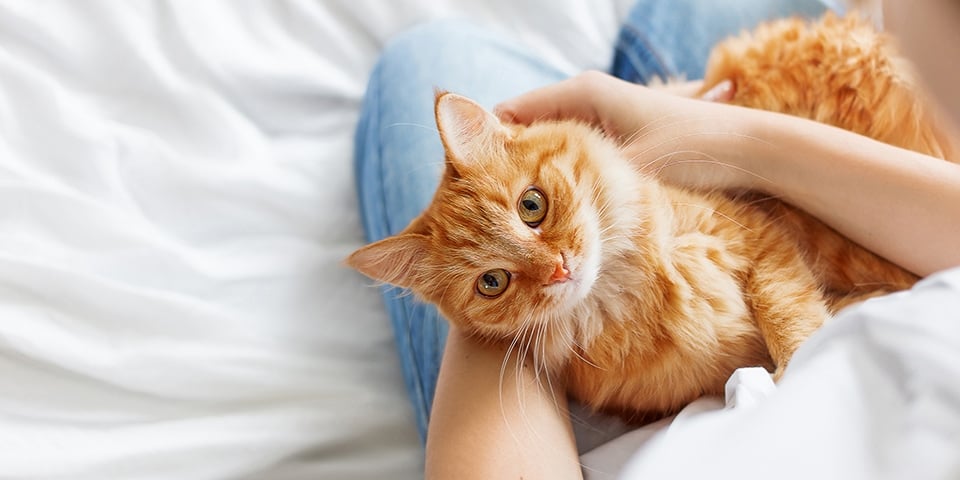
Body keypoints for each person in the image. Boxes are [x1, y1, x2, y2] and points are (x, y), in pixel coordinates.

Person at [353, 0, 960, 478]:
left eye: (532, 209)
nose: (554, 267)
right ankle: (652, 95)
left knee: (429, 50)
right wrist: (716, 133)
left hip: (651, 164)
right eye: (495, 279)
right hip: (710, 146)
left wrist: (472, 281)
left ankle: (646, 94)